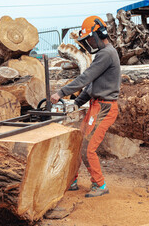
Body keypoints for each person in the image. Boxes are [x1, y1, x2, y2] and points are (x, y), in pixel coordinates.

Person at [51, 16, 121, 198]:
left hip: (105, 108)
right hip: (96, 106)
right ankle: (72, 180)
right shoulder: (103, 54)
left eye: (90, 38)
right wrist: (76, 102)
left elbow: (86, 78)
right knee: (80, 143)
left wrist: (61, 92)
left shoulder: (107, 53)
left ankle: (100, 184)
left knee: (88, 147)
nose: (89, 42)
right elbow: (91, 87)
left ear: (99, 34)